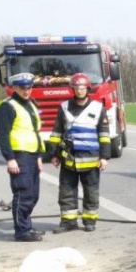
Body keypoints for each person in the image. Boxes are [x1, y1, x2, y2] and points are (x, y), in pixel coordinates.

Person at [48, 73, 111, 233]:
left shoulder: (98, 109)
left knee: (91, 192)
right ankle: (68, 222)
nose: (79, 90)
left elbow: (104, 135)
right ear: (73, 89)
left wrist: (104, 157)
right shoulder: (63, 107)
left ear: (87, 88)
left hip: (90, 160)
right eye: (76, 87)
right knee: (66, 192)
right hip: (68, 159)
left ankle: (90, 221)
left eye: (82, 87)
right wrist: (54, 155)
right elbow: (56, 132)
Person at [0, 73, 45, 242]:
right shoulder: (8, 106)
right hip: (19, 155)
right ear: (14, 88)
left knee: (33, 195)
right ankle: (22, 231)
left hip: (32, 155)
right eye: (22, 88)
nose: (26, 90)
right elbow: (3, 135)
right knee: (23, 194)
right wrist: (10, 158)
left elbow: (34, 132)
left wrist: (39, 156)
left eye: (29, 87)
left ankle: (26, 225)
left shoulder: (30, 104)